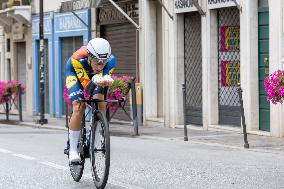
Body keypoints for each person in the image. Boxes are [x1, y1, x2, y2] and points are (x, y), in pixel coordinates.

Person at [65, 38, 115, 163]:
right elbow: (87, 91)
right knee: (79, 106)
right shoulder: (78, 59)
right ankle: (72, 150)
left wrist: (105, 80)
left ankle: (97, 134)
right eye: (97, 62)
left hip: (93, 77)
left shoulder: (111, 61)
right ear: (89, 57)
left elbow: (103, 80)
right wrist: (94, 81)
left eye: (104, 62)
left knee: (100, 101)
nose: (101, 66)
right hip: (75, 74)